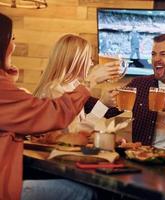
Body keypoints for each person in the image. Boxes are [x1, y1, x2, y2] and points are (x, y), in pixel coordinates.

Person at [0, 13, 109, 200]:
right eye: (13, 39)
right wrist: (91, 85)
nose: (14, 45)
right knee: (87, 193)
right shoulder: (55, 90)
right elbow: (53, 115)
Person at [33, 34, 120, 133]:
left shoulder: (72, 88)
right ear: (77, 61)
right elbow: (74, 134)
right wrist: (102, 105)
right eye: (90, 59)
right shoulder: (55, 90)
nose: (91, 64)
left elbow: (79, 129)